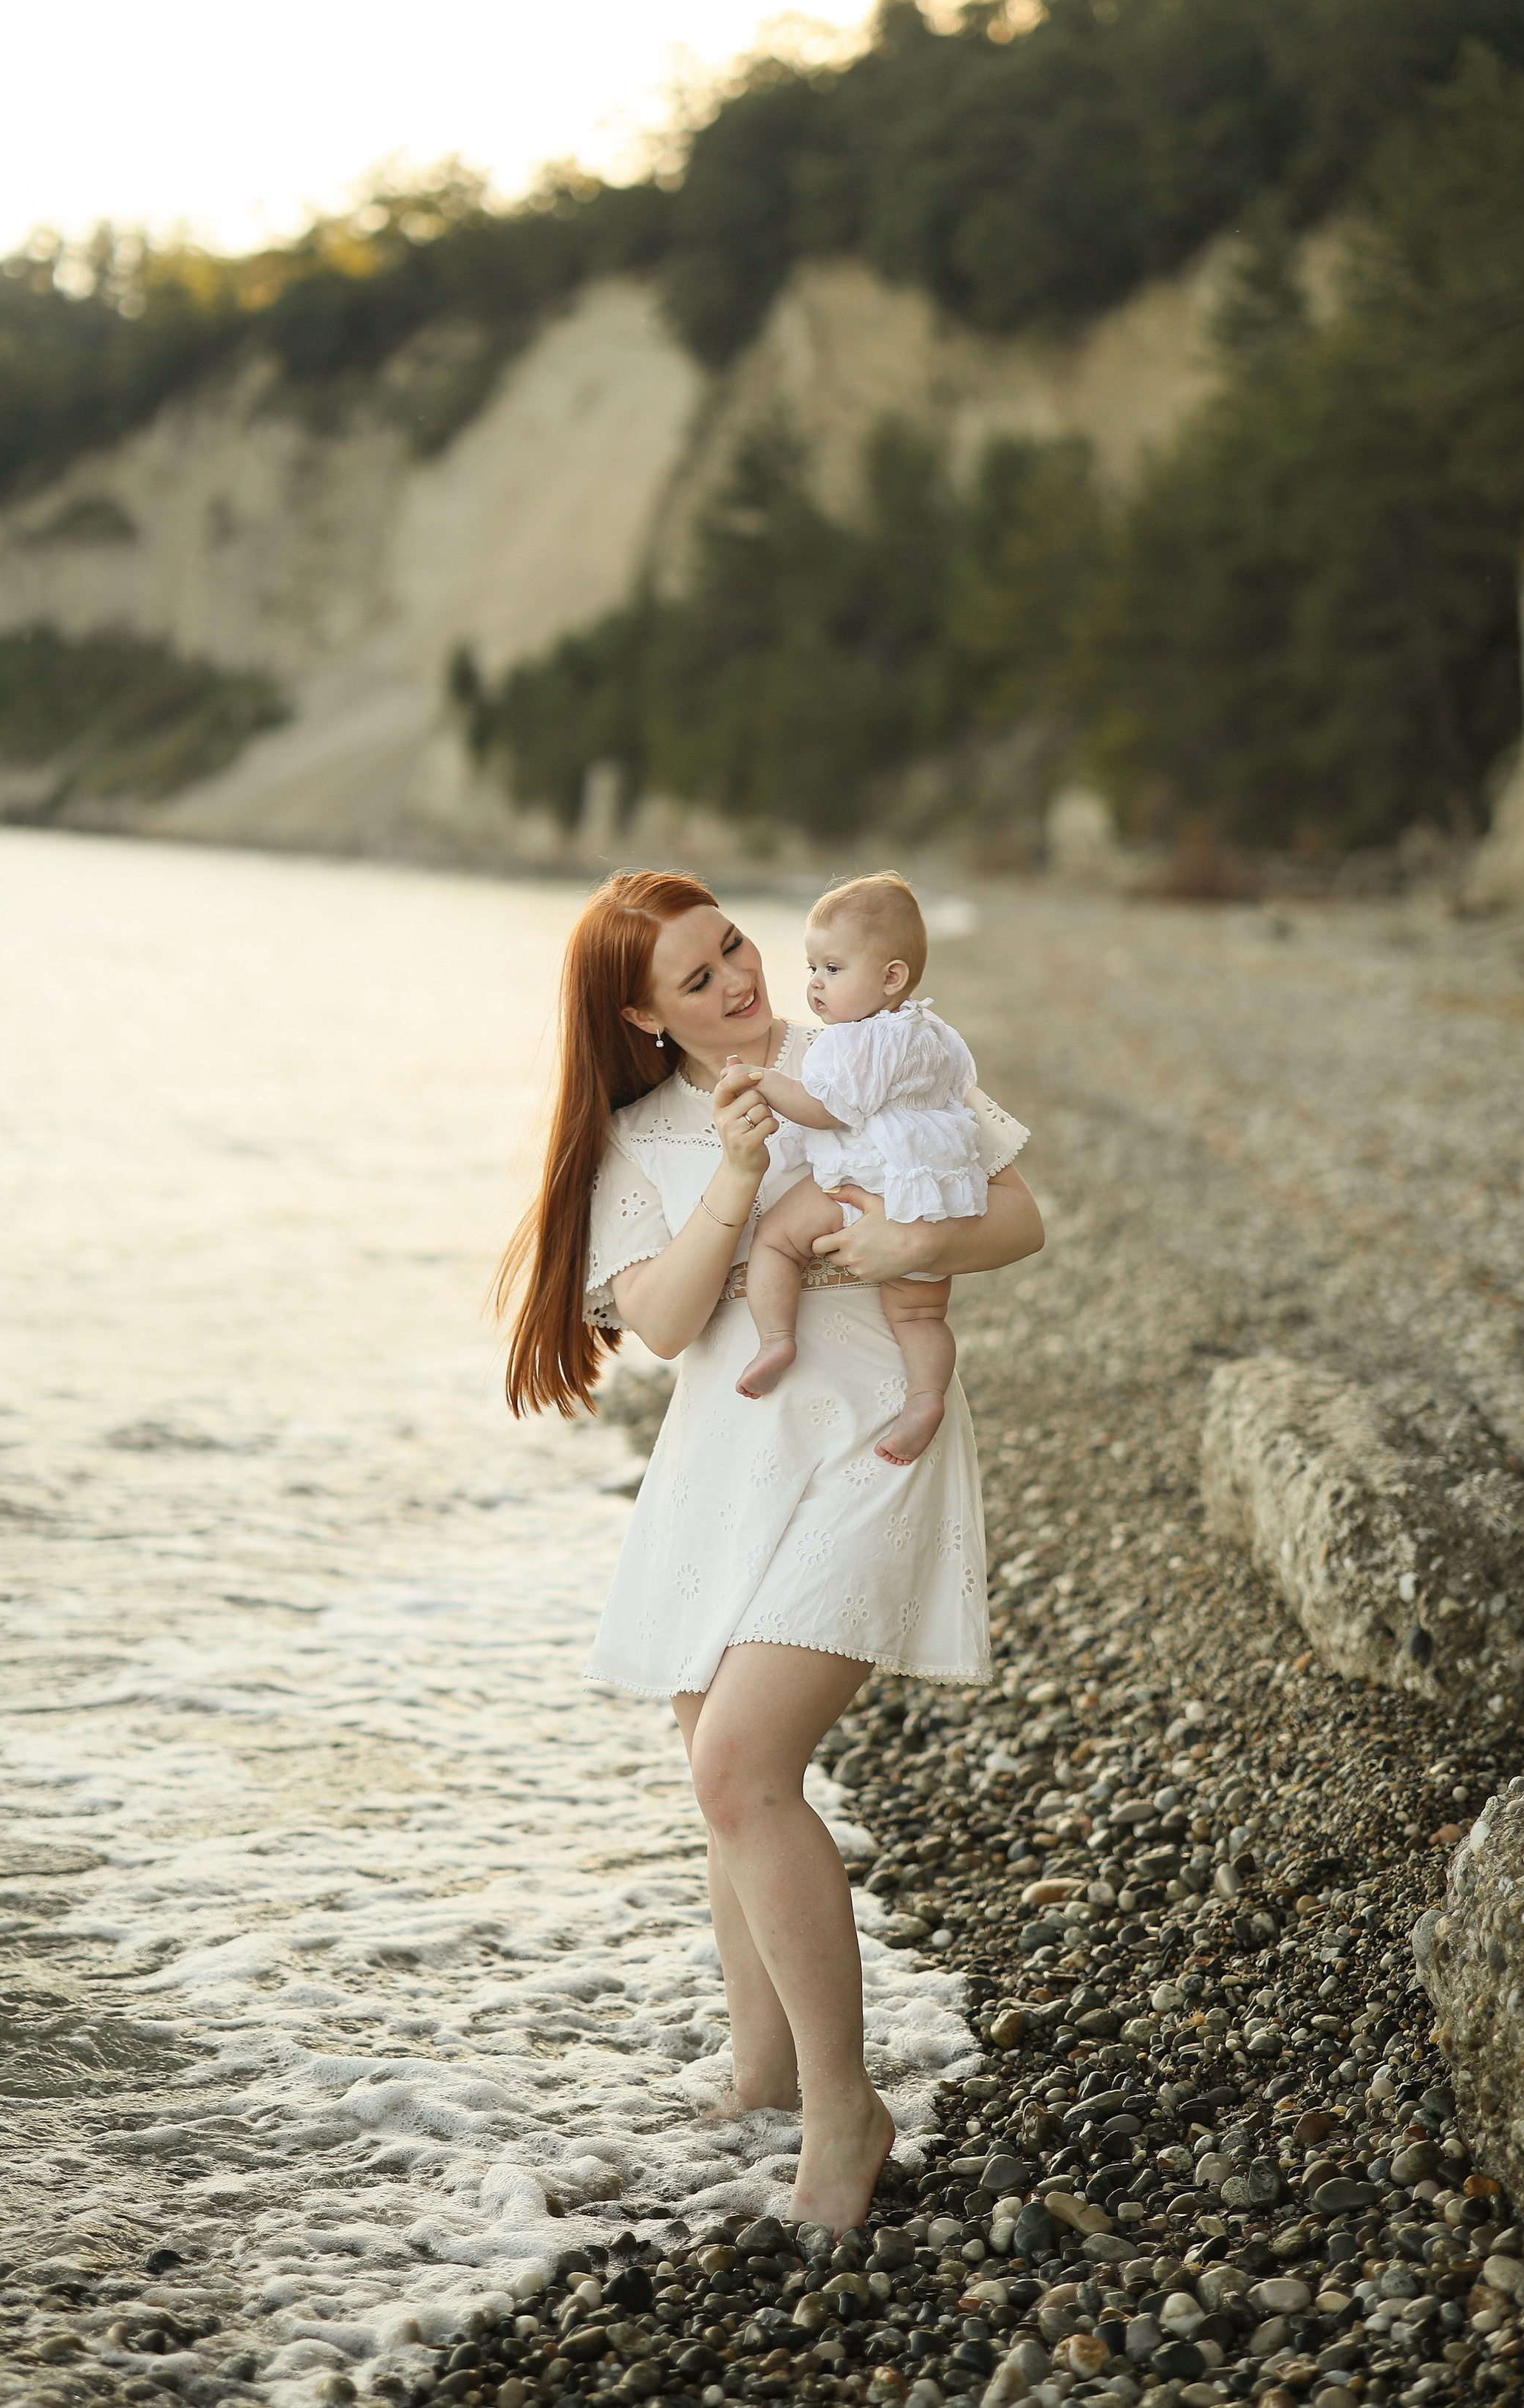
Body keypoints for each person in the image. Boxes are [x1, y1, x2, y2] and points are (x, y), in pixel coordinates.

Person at [499, 871, 1044, 2229]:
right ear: (643, 1012)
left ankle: (845, 2113)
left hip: (872, 1437)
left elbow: (1025, 1216)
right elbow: (672, 1325)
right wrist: (741, 1174)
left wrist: (888, 1241)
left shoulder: (861, 1048)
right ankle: (762, 2081)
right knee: (719, 1774)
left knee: (741, 1766)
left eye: (735, 945)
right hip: (726, 1467)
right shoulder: (640, 1139)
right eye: (699, 977)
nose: (741, 980)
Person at [733, 872, 989, 1467]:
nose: (815, 985)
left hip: (864, 1177)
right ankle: (925, 1400)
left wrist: (767, 1083)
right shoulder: (934, 1032)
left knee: (774, 1241)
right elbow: (958, 1088)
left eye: (832, 969)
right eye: (811, 969)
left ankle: (776, 1340)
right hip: (930, 1193)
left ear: (891, 976)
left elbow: (826, 1111)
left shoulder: (849, 1043)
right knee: (921, 1312)